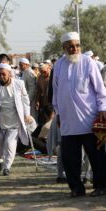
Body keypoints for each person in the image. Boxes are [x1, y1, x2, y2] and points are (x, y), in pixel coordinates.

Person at [53, 31, 106, 197]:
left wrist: (103, 109)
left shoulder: (88, 62)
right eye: (70, 46)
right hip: (68, 120)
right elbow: (56, 92)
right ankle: (76, 188)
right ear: (64, 47)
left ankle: (101, 186)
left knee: (96, 156)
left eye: (77, 45)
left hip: (89, 119)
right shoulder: (59, 65)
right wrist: (58, 114)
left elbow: (100, 90)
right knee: (70, 158)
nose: (74, 48)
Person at [0, 63, 32, 176]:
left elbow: (25, 100)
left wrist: (27, 114)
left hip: (15, 120)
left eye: (4, 74)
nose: (1, 77)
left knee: (10, 144)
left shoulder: (19, 84)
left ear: (10, 74)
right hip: (0, 120)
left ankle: (7, 167)